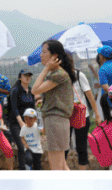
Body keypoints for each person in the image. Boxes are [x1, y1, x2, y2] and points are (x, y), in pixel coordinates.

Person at [31, 40, 78, 170]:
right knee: (62, 165)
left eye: (44, 52)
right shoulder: (59, 73)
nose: (41, 55)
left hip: (55, 120)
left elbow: (34, 90)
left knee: (56, 166)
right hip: (59, 121)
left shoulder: (58, 74)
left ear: (54, 56)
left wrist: (46, 68)